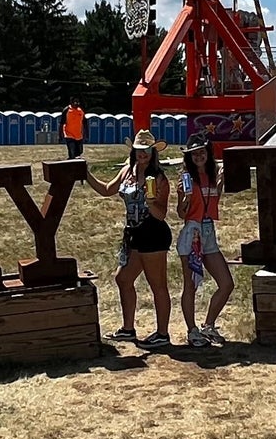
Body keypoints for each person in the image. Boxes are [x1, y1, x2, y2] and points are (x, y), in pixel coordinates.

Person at [84, 129, 173, 348]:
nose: (142, 154)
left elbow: (161, 215)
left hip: (153, 233)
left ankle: (162, 334)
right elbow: (107, 190)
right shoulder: (127, 171)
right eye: (139, 150)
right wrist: (85, 174)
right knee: (123, 279)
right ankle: (128, 329)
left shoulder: (159, 178)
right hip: (134, 234)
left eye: (146, 150)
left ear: (153, 152)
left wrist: (151, 201)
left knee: (157, 285)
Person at [175, 138, 234, 345]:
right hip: (192, 233)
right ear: (189, 158)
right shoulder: (186, 177)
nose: (198, 156)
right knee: (190, 285)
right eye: (194, 153)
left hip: (208, 233)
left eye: (202, 152)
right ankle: (192, 331)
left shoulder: (212, 175)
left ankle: (208, 326)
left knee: (226, 283)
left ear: (208, 153)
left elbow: (215, 196)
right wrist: (185, 198)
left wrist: (221, 179)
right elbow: (181, 213)